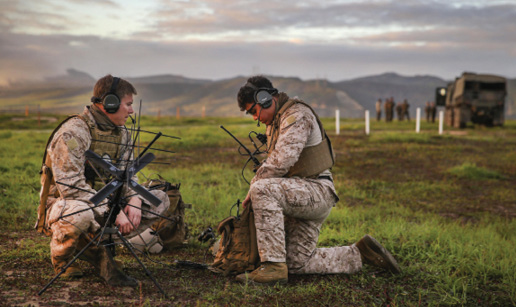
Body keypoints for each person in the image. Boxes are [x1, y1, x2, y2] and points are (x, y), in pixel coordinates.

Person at [234, 76, 401, 285]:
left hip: (315, 191)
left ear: (266, 99)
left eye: (254, 111)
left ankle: (273, 268)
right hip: (298, 193)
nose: (255, 118)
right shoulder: (276, 122)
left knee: (262, 189)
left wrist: (254, 186)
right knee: (296, 262)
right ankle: (359, 254)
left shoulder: (296, 115)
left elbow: (282, 161)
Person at [35, 75, 170, 286]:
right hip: (66, 205)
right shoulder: (74, 132)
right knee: (80, 213)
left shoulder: (121, 133)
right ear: (110, 104)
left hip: (105, 203)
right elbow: (71, 187)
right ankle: (63, 257)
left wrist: (133, 199)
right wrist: (113, 211)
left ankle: (97, 243)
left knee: (159, 199)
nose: (132, 111)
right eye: (128, 104)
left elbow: (127, 174)